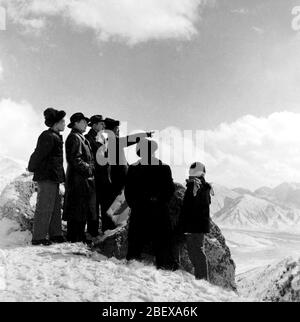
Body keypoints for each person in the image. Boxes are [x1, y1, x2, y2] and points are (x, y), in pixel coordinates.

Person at [124, 138, 177, 270]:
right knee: (162, 238)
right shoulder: (164, 168)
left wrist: (136, 205)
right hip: (158, 210)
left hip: (140, 210)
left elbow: (128, 192)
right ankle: (164, 263)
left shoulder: (134, 168)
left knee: (136, 239)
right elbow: (169, 190)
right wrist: (159, 201)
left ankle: (134, 260)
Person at [97, 118, 153, 232]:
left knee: (115, 205)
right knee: (116, 206)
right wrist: (145, 134)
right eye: (117, 128)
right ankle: (111, 230)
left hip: (116, 179)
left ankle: (110, 229)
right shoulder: (113, 141)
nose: (118, 130)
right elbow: (130, 140)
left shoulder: (110, 141)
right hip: (117, 180)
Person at [28, 108, 66, 246]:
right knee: (44, 206)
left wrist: (62, 177)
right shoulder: (48, 136)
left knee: (55, 206)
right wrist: (31, 167)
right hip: (46, 176)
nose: (64, 124)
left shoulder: (55, 136)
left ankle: (56, 234)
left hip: (53, 177)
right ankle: (38, 237)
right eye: (62, 121)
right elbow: (38, 154)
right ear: (56, 123)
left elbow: (57, 161)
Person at [62, 112, 97, 243]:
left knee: (81, 208)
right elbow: (74, 159)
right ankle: (75, 237)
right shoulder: (75, 138)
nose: (86, 125)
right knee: (77, 208)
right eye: (83, 122)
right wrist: (88, 168)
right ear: (76, 123)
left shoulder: (79, 137)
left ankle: (78, 236)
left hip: (81, 179)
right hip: (78, 179)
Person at [179, 162, 212, 281]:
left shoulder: (196, 186)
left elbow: (189, 207)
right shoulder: (202, 186)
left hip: (194, 225)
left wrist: (184, 226)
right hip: (198, 225)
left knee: (196, 252)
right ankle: (201, 278)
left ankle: (202, 279)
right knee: (195, 252)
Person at [85, 115, 107, 237]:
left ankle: (96, 230)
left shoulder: (100, 138)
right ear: (94, 125)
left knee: (99, 204)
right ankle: (92, 231)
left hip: (101, 176)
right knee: (93, 205)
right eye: (101, 124)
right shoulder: (88, 138)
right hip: (95, 176)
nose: (103, 126)